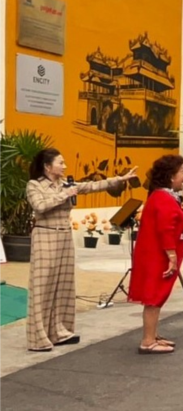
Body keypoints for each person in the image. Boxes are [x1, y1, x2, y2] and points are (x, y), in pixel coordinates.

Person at [25, 149, 137, 352]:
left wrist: (120, 179)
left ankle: (59, 331)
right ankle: (38, 338)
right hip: (45, 235)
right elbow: (39, 206)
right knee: (42, 286)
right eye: (61, 162)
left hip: (64, 236)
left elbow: (92, 186)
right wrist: (64, 194)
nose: (65, 166)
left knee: (63, 284)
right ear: (47, 166)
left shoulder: (65, 183)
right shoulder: (34, 185)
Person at [128, 155, 183, 354]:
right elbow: (165, 228)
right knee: (154, 297)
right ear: (171, 177)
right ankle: (147, 341)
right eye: (182, 172)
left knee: (157, 296)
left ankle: (152, 335)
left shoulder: (163, 196)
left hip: (157, 254)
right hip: (158, 257)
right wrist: (171, 256)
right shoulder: (163, 198)